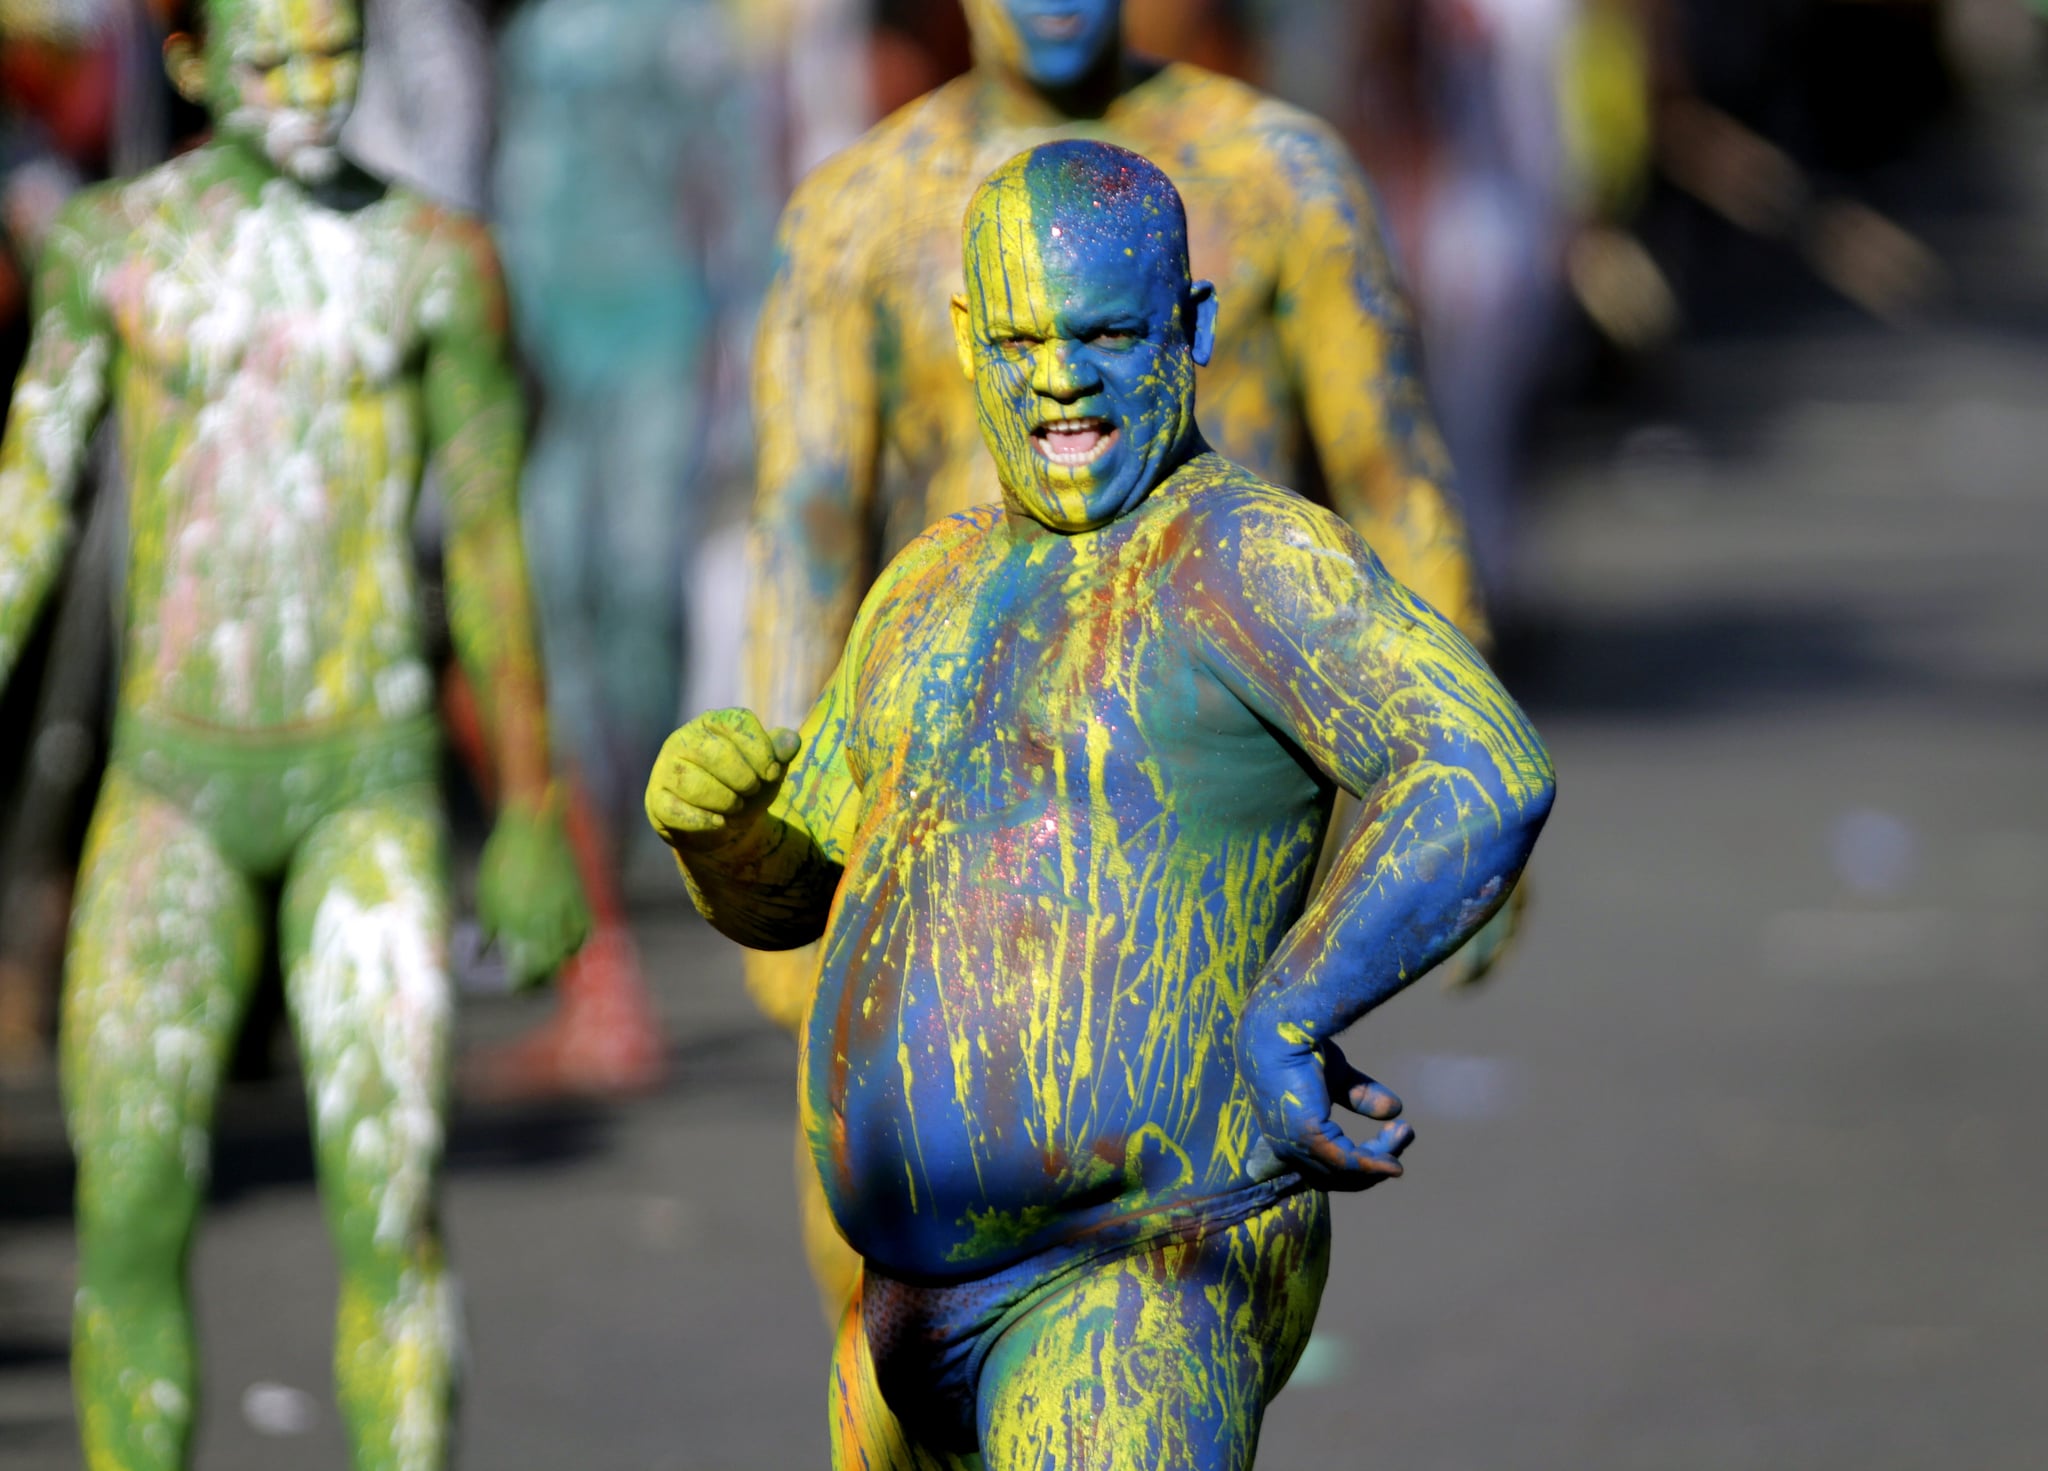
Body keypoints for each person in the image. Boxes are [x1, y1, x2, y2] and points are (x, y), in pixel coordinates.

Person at [651, 140, 1554, 1469]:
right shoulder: (929, 585)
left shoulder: (1241, 556)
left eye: (1108, 334)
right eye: (1023, 340)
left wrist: (1296, 1007)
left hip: (1138, 1278)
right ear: (966, 338)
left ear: (1190, 328)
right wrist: (725, 837)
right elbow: (802, 895)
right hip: (899, 1301)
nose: (1062, 376)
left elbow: (1482, 767)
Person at [746, 0, 1514, 1312]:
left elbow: (1392, 473)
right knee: (888, 1319)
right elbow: (807, 531)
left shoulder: (1276, 174)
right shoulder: (858, 213)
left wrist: (1458, 745)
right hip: (941, 813)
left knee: (1178, 1295)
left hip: (1195, 825)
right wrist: (779, 853)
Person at [0, 1, 588, 1465]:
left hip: (366, 781)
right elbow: (24, 506)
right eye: (271, 64)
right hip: (172, 784)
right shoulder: (116, 252)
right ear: (193, 64)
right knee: (129, 1211)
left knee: (389, 1206)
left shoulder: (432, 263)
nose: (313, 94)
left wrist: (526, 806)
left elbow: (493, 550)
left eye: (335, 54)